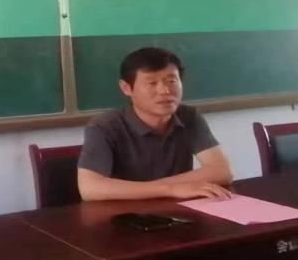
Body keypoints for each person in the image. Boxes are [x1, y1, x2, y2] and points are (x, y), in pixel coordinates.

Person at [77, 47, 234, 201]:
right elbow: (90, 188)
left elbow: (221, 171)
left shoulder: (188, 116)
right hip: (126, 212)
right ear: (126, 88)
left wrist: (160, 189)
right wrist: (170, 189)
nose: (165, 91)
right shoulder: (104, 126)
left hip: (178, 209)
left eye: (172, 81)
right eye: (152, 83)